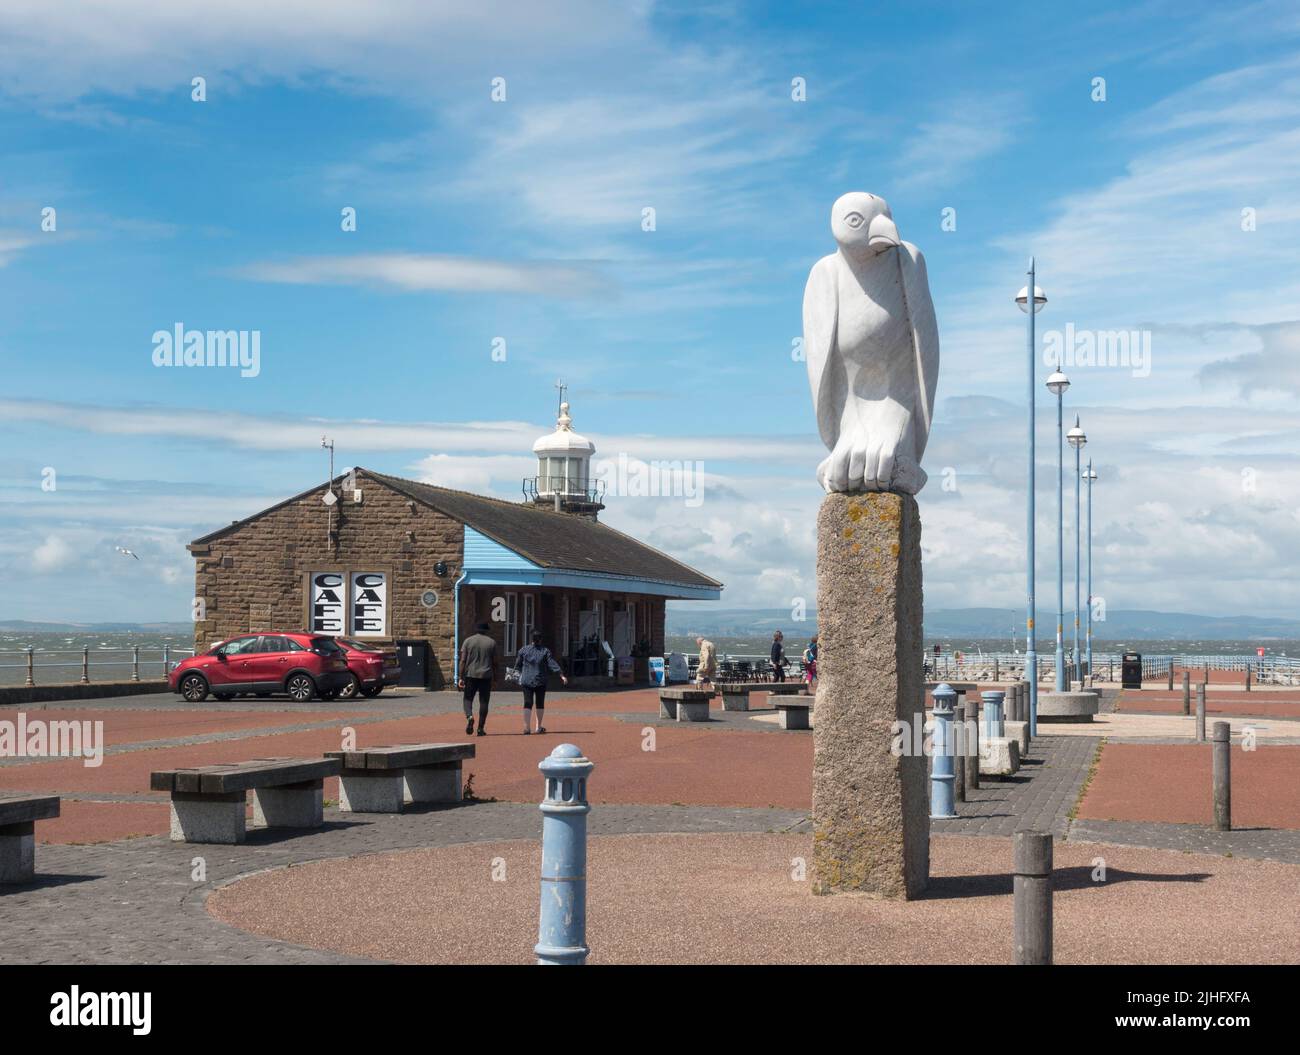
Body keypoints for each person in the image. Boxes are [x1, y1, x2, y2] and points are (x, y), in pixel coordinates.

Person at [513, 630, 568, 734]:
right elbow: (552, 663)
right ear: (541, 639)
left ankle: (527, 727)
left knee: (527, 702)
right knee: (540, 703)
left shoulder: (523, 650)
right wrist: (561, 675)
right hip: (540, 680)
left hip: (526, 680)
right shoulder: (545, 651)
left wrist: (514, 675)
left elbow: (517, 665)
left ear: (531, 639)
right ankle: (538, 727)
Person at [458, 622, 497, 736]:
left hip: (471, 675)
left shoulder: (468, 641)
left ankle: (469, 716)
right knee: (484, 702)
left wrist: (460, 677)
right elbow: (496, 662)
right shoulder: (491, 642)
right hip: (486, 675)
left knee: (468, 699)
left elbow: (463, 661)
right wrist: (496, 679)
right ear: (486, 630)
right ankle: (480, 728)